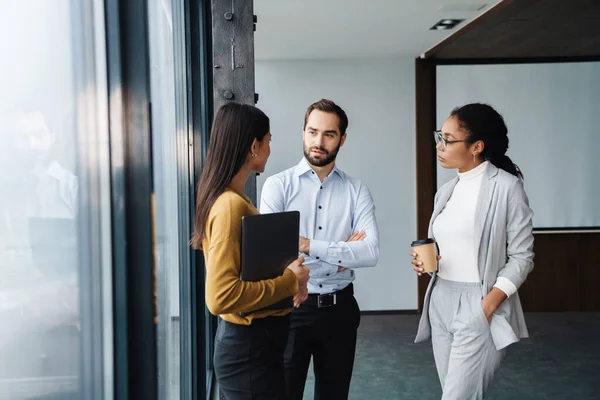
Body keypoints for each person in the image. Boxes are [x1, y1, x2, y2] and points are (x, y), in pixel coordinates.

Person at [412, 103, 535, 399]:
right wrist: (425, 262)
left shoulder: (506, 187)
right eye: (438, 137)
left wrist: (488, 305)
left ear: (476, 146)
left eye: (448, 139)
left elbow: (522, 256)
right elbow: (449, 248)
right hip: (440, 300)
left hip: (480, 302)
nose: (439, 146)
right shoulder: (447, 190)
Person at [260, 99, 380, 400]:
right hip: (291, 309)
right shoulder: (278, 186)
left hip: (340, 311)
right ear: (303, 132)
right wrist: (341, 254)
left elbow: (370, 252)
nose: (318, 141)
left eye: (329, 134)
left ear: (342, 139)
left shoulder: (357, 191)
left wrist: (305, 245)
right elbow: (272, 256)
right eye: (313, 131)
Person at [191, 102, 310, 400]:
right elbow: (220, 297)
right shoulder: (230, 206)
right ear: (254, 146)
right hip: (249, 351)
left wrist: (290, 279)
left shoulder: (232, 199)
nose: (270, 148)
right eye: (268, 141)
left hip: (254, 347)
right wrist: (288, 282)